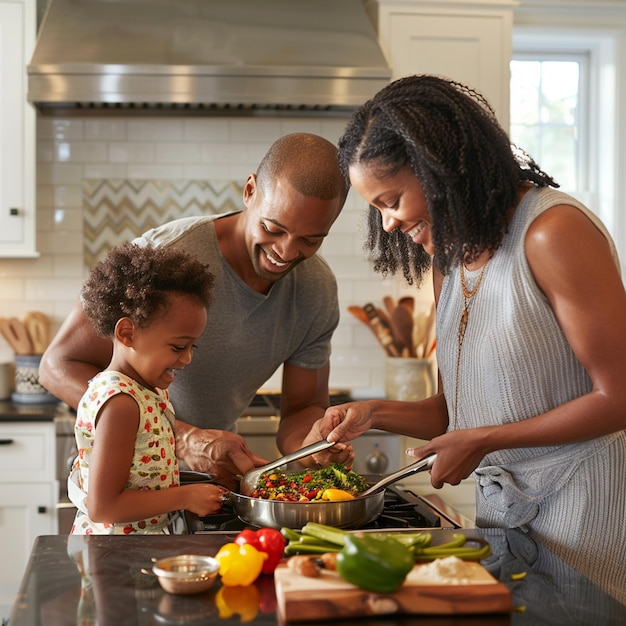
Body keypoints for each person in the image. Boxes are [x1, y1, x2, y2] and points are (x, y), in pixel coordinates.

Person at [310, 75, 626, 584]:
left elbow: (619, 394)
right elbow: (450, 411)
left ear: (438, 168)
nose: (388, 224)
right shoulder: (449, 261)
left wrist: (483, 440)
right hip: (502, 513)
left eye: (391, 201)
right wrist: (371, 414)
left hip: (584, 509)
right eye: (378, 210)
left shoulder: (552, 232)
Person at [40, 133, 352, 490]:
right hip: (125, 482)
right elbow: (57, 366)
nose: (286, 251)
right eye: (272, 228)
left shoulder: (317, 290)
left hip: (209, 483)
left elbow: (301, 410)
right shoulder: (168, 255)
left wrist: (313, 447)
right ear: (249, 190)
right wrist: (183, 439)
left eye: (310, 240)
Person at [68, 243, 228, 534]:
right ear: (127, 333)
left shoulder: (144, 391)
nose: (188, 358)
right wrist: (185, 496)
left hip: (133, 549)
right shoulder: (121, 403)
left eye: (193, 346)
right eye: (178, 346)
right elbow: (103, 507)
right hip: (114, 556)